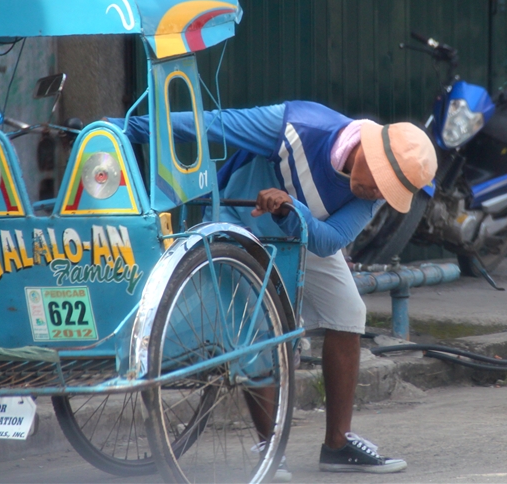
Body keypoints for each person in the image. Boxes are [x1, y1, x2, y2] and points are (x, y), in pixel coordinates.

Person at [111, 101, 436, 475]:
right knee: (260, 323)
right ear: (369, 149)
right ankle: (270, 447)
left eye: (389, 191)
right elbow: (209, 126)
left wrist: (289, 208)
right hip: (239, 222)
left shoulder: (373, 193)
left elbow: (329, 241)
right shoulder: (296, 125)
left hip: (302, 230)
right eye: (380, 181)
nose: (378, 192)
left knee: (349, 312)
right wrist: (121, 129)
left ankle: (338, 444)